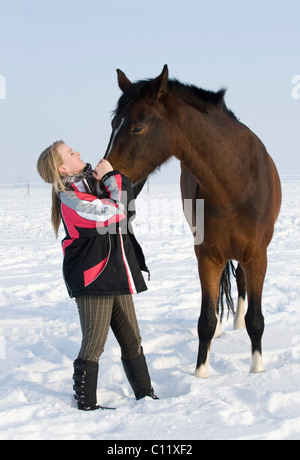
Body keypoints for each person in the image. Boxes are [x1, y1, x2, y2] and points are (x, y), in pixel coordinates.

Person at [37, 140, 158, 411]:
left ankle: (147, 397)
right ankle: (86, 404)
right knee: (94, 345)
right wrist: (112, 177)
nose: (77, 152)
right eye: (70, 153)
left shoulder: (92, 184)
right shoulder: (69, 198)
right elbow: (116, 213)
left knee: (132, 341)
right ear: (62, 168)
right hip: (92, 277)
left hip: (115, 272)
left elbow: (128, 202)